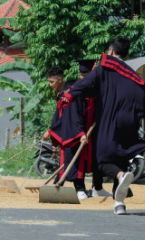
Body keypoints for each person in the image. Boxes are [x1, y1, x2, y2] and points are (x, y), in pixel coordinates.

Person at [69, 36, 145, 216]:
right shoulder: (134, 75)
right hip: (130, 123)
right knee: (121, 159)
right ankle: (119, 203)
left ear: (112, 52)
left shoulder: (104, 69)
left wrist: (67, 97)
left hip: (110, 123)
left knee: (101, 161)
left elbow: (83, 86)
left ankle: (120, 177)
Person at [45, 62, 108, 201]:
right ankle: (78, 189)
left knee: (97, 158)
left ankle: (97, 187)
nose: (83, 78)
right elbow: (71, 116)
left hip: (93, 131)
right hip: (75, 131)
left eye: (85, 75)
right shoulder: (73, 93)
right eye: (81, 75)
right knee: (73, 158)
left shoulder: (96, 89)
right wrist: (55, 130)